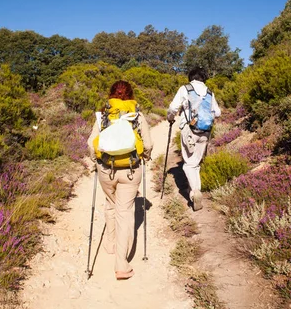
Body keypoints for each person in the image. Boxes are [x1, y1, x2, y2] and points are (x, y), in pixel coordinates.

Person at [87, 80, 153, 280]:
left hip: (107, 169)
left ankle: (110, 244)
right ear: (131, 95)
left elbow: (92, 144)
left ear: (111, 95)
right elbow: (148, 144)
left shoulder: (103, 117)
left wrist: (96, 160)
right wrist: (146, 157)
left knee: (110, 202)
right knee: (125, 211)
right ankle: (122, 265)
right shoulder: (138, 115)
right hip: (131, 170)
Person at [166, 67, 221, 211]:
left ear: (191, 77)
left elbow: (173, 108)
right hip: (205, 132)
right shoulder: (209, 92)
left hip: (189, 130)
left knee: (189, 164)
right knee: (196, 163)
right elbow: (218, 112)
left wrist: (170, 118)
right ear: (204, 78)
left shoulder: (185, 89)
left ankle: (195, 192)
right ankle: (194, 190)